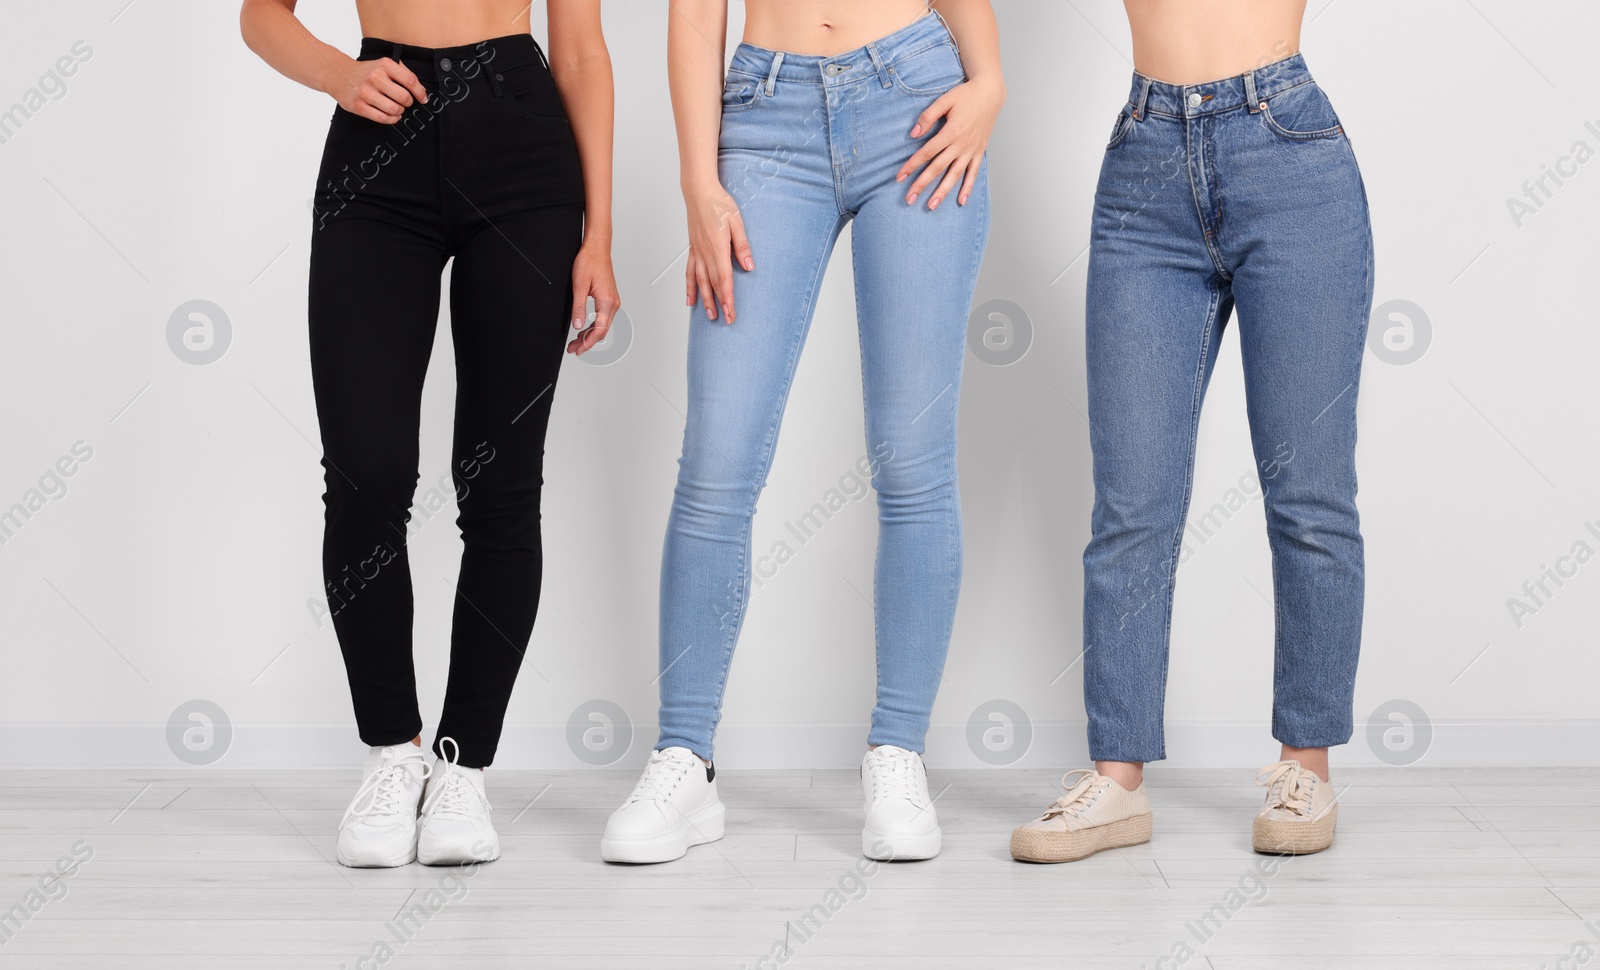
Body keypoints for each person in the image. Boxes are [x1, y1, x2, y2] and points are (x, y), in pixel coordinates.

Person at [600, 0, 1004, 864]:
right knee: (717, 459)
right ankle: (685, 757)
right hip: (764, 115)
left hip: (917, 102)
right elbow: (696, 12)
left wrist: (992, 80)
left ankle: (896, 753)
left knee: (914, 462)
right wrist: (698, 180)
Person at [240, 0, 619, 867]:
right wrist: (341, 74)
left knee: (501, 483)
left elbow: (584, 52)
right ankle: (392, 751)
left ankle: (462, 766)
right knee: (366, 474)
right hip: (378, 146)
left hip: (524, 154)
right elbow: (262, 17)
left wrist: (599, 233)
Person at [1011, 0, 1371, 863]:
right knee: (1132, 502)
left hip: (1286, 147)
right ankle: (1118, 781)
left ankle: (1306, 765)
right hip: (1145, 157)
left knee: (1310, 495)